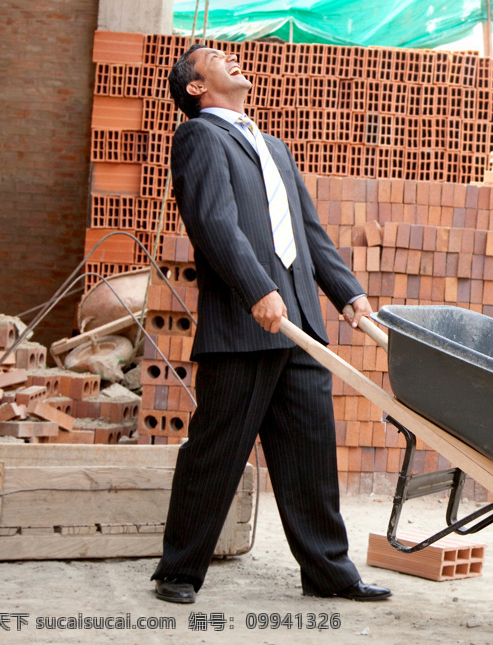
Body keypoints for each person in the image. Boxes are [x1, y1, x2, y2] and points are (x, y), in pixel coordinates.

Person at [151, 44, 391, 604]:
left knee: (311, 450)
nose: (233, 59)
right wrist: (257, 288)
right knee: (217, 450)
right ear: (196, 87)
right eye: (216, 58)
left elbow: (307, 232)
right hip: (244, 324)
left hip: (301, 323)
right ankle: (179, 571)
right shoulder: (200, 138)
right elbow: (213, 221)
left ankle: (330, 572)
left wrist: (348, 295)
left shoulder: (273, 147)